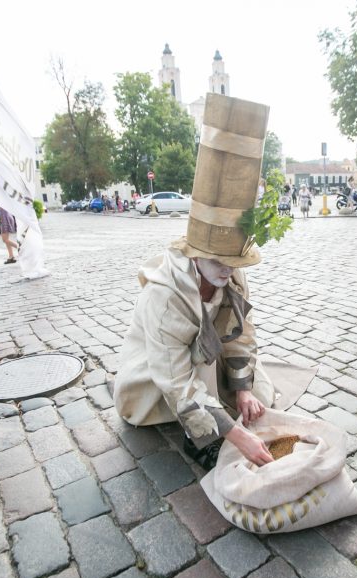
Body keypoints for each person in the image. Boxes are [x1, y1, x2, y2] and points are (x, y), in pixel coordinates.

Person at [115, 93, 282, 471]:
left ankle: (223, 406)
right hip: (154, 380)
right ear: (195, 253)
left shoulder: (230, 275)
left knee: (258, 394)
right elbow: (173, 378)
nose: (228, 270)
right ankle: (200, 435)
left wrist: (240, 390)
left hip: (202, 367)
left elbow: (242, 333)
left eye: (234, 262)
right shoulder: (165, 293)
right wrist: (236, 436)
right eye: (219, 261)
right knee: (205, 387)